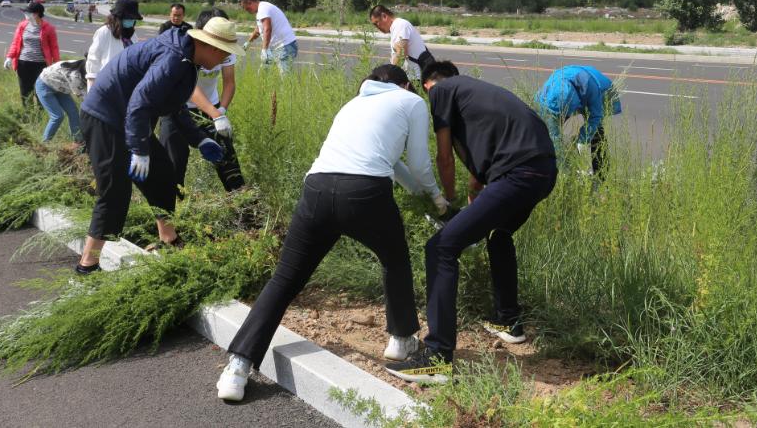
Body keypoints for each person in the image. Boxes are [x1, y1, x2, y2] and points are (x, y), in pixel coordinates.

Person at [217, 64, 450, 402]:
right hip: (366, 194)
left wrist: (420, 194)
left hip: (317, 189)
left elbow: (391, 162)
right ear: (405, 84)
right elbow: (417, 162)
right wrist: (438, 198)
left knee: (284, 279)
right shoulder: (409, 102)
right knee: (394, 260)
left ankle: (237, 368)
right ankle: (400, 341)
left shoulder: (353, 104)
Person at [385, 61, 557, 384]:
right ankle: (509, 322)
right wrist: (473, 200)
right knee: (498, 232)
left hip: (517, 173)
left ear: (427, 87)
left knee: (441, 247)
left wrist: (445, 205)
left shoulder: (441, 93)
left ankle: (437, 357)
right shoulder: (477, 98)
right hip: (543, 171)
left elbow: (445, 158)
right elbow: (481, 176)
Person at [75, 17, 241, 275]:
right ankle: (87, 267)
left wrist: (199, 138)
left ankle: (168, 241)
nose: (223, 62)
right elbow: (140, 103)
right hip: (105, 118)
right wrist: (139, 149)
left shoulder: (188, 61)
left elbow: (174, 106)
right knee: (115, 191)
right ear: (212, 48)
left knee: (162, 175)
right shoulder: (174, 58)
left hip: (128, 119)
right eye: (224, 55)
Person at [159, 8, 245, 192]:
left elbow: (229, 82)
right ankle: (170, 214)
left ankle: (242, 209)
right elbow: (189, 88)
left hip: (209, 109)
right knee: (174, 165)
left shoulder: (226, 48)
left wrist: (221, 110)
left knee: (228, 162)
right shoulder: (189, 49)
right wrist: (216, 115)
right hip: (177, 108)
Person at [535, 65, 622, 180]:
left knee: (596, 134)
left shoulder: (590, 86)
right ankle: (566, 169)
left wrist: (583, 139)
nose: (564, 117)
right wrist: (562, 164)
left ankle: (601, 176)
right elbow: (552, 133)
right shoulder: (546, 94)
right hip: (564, 94)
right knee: (551, 136)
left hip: (600, 90)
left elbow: (596, 116)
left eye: (566, 113)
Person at [4, 2, 60, 107]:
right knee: (25, 91)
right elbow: (15, 43)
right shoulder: (22, 25)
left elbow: (54, 48)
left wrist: (56, 64)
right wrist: (9, 57)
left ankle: (40, 115)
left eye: (28, 13)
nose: (25, 15)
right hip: (23, 63)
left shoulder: (49, 28)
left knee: (40, 91)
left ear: (36, 14)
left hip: (41, 65)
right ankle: (27, 114)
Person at [86, 0, 141, 91]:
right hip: (108, 83)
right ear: (119, 17)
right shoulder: (104, 32)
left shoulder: (132, 35)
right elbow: (93, 58)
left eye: (133, 19)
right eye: (129, 18)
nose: (132, 21)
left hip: (127, 83)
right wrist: (92, 85)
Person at [369, 5, 434, 81]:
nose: (377, 27)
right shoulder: (396, 27)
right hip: (413, 77)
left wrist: (389, 75)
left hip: (416, 78)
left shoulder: (399, 25)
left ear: (384, 16)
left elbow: (401, 54)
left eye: (377, 22)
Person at [239, 0, 298, 73]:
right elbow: (258, 30)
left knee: (285, 78)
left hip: (285, 46)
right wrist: (248, 42)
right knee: (264, 73)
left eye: (247, 9)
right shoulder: (260, 10)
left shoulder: (263, 9)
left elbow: (267, 29)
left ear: (250, 2)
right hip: (276, 48)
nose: (247, 11)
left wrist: (264, 49)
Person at [35, 59, 87, 142]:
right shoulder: (74, 76)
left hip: (60, 87)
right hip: (45, 85)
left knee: (73, 112)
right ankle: (45, 143)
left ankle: (78, 140)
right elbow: (84, 98)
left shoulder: (82, 64)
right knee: (57, 116)